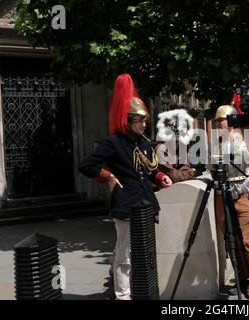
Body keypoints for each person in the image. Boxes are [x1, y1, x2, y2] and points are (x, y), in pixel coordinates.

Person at [78, 74, 172, 300]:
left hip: (147, 204)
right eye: (139, 120)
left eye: (144, 120)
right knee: (125, 255)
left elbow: (149, 169)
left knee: (147, 252)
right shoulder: (114, 142)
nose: (144, 124)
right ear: (128, 120)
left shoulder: (144, 142)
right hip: (126, 205)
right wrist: (108, 175)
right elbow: (87, 165)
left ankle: (143, 290)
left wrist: (161, 177)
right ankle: (123, 295)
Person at [213, 104, 249, 299]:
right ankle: (241, 279)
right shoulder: (215, 144)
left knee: (245, 242)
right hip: (221, 197)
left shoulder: (243, 141)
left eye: (221, 120)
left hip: (240, 196)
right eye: (216, 121)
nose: (217, 124)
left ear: (231, 121)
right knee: (230, 240)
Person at [154, 108, 197, 183]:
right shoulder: (161, 150)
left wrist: (183, 173)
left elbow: (185, 167)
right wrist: (190, 173)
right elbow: (174, 177)